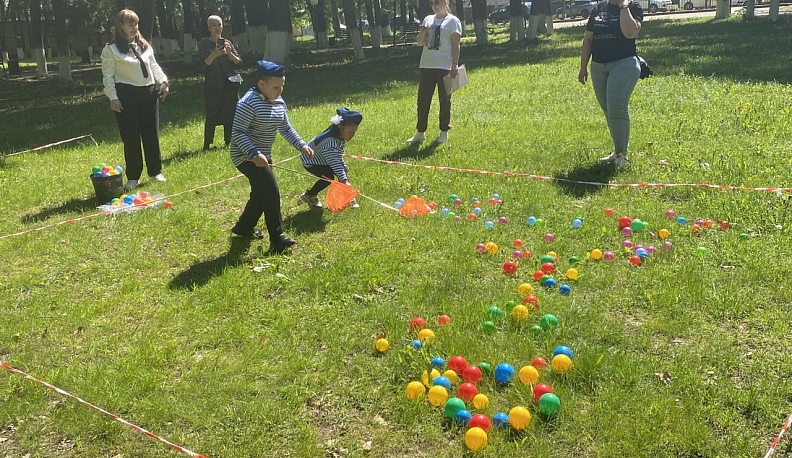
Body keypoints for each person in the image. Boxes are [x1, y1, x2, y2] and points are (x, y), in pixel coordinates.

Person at [229, 60, 314, 253]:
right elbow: (238, 133)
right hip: (245, 156)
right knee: (270, 191)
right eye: (276, 86)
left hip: (264, 155)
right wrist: (254, 153)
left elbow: (284, 127)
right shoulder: (247, 104)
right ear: (261, 84)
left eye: (282, 85)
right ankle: (278, 238)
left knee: (260, 193)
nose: (280, 90)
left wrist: (301, 145)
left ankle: (243, 228)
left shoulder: (278, 101)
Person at [101, 9, 169, 191]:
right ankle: (133, 176)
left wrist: (163, 82)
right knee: (131, 137)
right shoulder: (111, 49)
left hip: (148, 94)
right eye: (130, 24)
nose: (134, 27)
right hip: (126, 96)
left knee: (151, 134)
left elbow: (154, 66)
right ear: (120, 26)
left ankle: (155, 172)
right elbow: (108, 76)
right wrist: (113, 97)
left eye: (136, 23)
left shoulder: (144, 46)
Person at [578, 0, 643, 169]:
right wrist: (583, 67)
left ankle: (622, 154)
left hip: (624, 63)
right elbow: (588, 38)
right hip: (599, 66)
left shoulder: (633, 6)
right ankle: (617, 151)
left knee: (616, 107)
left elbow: (631, 33)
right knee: (608, 109)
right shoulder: (598, 8)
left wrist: (623, 6)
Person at [406, 0, 462, 145]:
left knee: (445, 100)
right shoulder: (428, 19)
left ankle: (443, 132)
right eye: (432, 3)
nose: (434, 6)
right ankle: (420, 132)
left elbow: (456, 45)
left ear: (445, 2)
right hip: (427, 65)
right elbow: (419, 42)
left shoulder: (453, 21)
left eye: (437, 3)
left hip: (444, 67)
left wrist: (454, 64)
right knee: (423, 100)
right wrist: (422, 33)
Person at [299, 107, 363, 210]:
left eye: (354, 132)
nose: (352, 135)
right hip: (311, 161)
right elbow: (334, 163)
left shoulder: (338, 135)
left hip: (323, 159)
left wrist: (342, 165)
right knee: (328, 177)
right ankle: (310, 195)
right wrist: (344, 180)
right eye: (350, 132)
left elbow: (336, 155)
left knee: (341, 170)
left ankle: (348, 196)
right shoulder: (330, 143)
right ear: (340, 126)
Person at [200, 15, 242, 151]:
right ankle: (207, 144)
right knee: (212, 113)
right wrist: (215, 54)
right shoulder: (204, 44)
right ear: (208, 28)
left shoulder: (228, 42)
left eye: (219, 24)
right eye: (214, 25)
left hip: (230, 84)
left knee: (231, 112)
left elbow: (238, 62)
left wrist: (230, 53)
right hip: (213, 85)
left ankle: (229, 141)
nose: (217, 28)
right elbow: (204, 63)